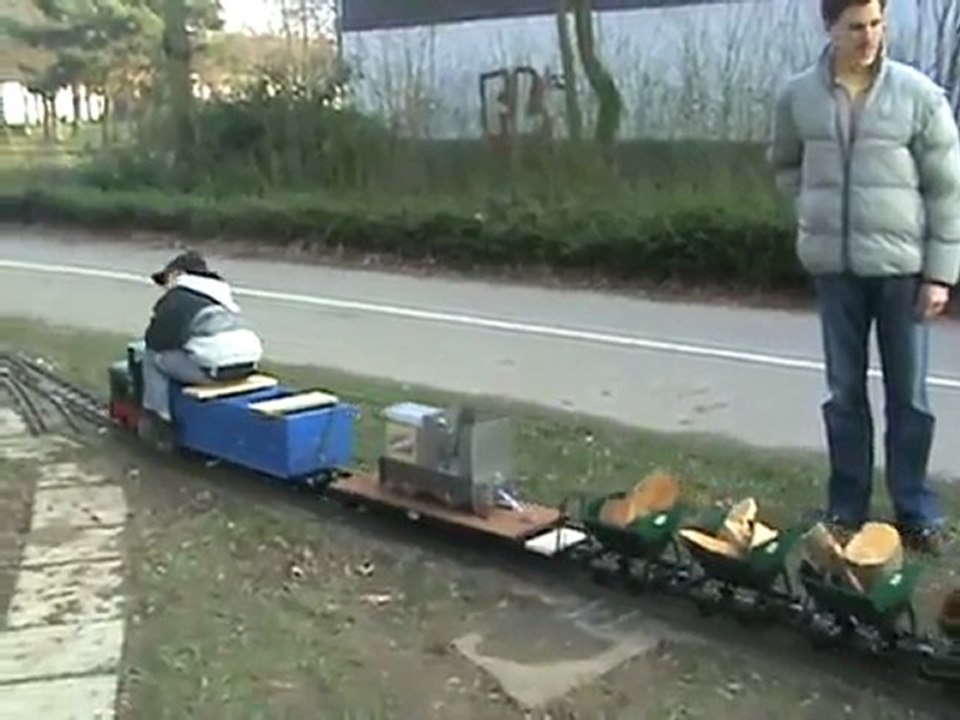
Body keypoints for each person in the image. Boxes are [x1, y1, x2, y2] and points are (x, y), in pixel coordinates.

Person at [768, 0, 960, 554]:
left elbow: (947, 189)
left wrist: (940, 275)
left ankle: (915, 510)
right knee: (844, 394)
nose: (869, 36)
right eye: (856, 26)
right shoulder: (798, 97)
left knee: (910, 398)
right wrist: (814, 209)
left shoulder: (917, 94)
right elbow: (784, 163)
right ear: (830, 27)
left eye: (876, 23)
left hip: (903, 273)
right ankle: (847, 507)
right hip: (836, 273)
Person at [139, 250, 264, 448]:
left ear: (177, 274)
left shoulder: (178, 298)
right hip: (247, 367)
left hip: (214, 372)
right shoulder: (220, 296)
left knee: (152, 356)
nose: (165, 287)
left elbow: (156, 340)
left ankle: (158, 420)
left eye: (166, 279)